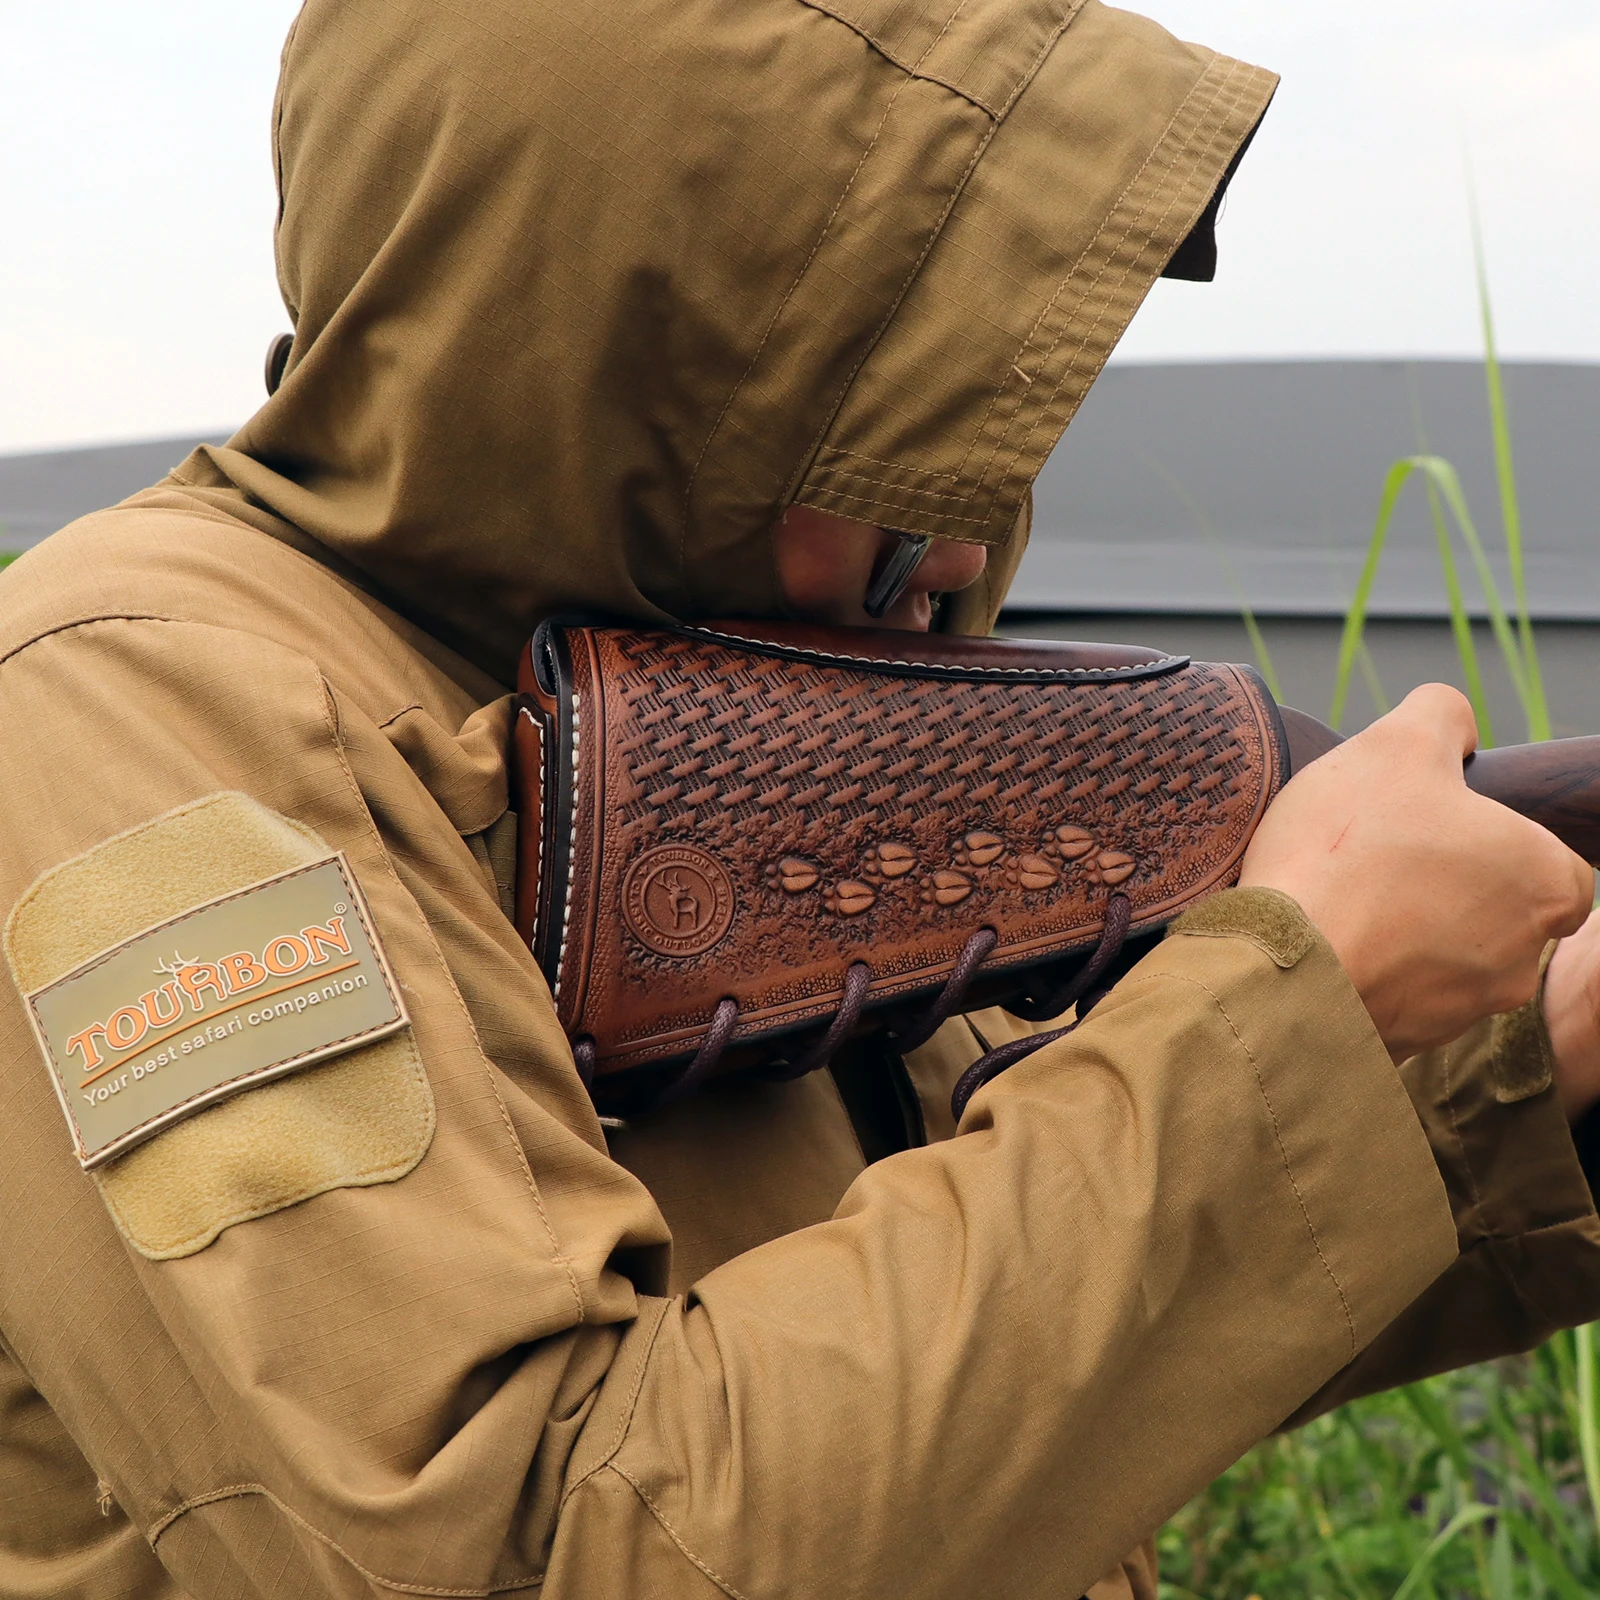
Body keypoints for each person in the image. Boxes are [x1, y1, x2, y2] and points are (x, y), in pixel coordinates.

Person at [2, 2, 1598, 1596]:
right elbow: (534, 1549)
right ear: (646, 370)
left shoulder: (718, 745)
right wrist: (1300, 1003)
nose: (965, 555)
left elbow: (1007, 1378)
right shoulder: (123, 705)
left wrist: (1532, 1073)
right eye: (891, 441)